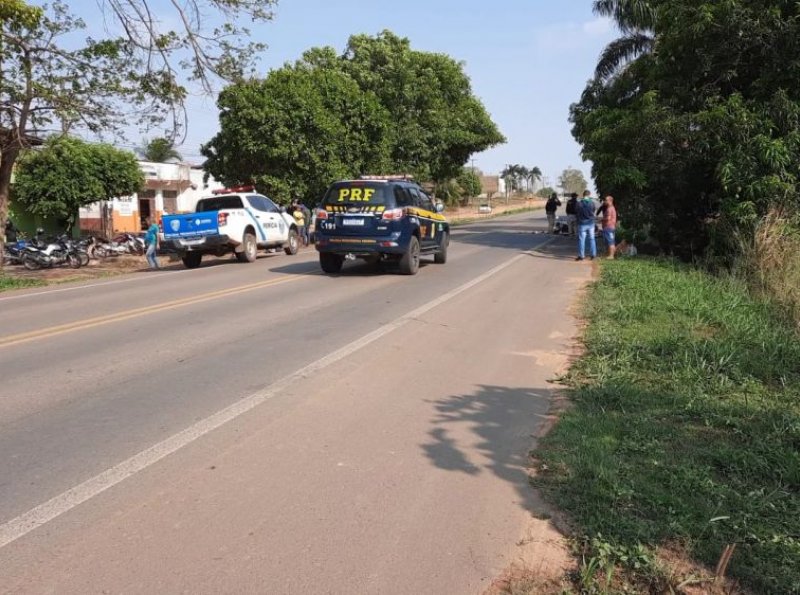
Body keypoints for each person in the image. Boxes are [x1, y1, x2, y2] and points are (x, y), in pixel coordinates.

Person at [575, 190, 597, 261]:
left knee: (581, 240)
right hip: (590, 223)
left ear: (583, 195)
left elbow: (576, 212)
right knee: (592, 239)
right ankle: (593, 255)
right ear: (589, 195)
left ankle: (581, 256)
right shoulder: (592, 203)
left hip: (582, 223)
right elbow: (593, 211)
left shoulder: (579, 203)